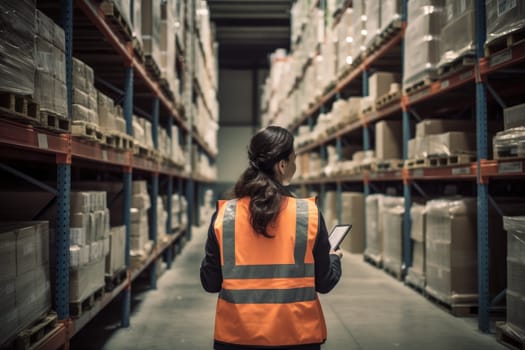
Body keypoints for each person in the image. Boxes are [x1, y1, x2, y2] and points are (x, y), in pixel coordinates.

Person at [200, 125, 342, 350]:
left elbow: (210, 283)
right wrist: (333, 258)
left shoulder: (225, 214)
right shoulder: (308, 214)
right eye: (294, 159)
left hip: (237, 337)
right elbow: (324, 283)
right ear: (283, 165)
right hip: (296, 336)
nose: (295, 165)